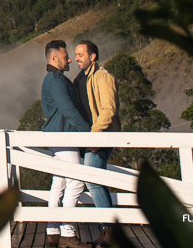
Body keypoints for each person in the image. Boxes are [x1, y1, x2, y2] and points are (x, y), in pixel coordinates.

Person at [41, 39, 91, 248]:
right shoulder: (54, 80)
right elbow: (69, 110)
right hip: (63, 137)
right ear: (54, 58)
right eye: (65, 57)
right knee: (77, 182)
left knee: (59, 183)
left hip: (60, 137)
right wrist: (89, 133)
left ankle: (53, 231)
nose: (69, 59)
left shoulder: (56, 79)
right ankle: (68, 234)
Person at [74, 40, 120, 248]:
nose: (76, 58)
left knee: (92, 179)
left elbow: (108, 111)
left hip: (100, 136)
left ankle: (109, 230)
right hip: (90, 137)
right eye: (75, 55)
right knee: (96, 180)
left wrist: (94, 135)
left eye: (80, 54)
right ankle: (109, 230)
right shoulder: (81, 78)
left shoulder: (103, 77)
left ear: (92, 56)